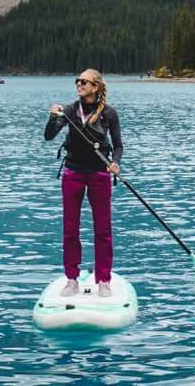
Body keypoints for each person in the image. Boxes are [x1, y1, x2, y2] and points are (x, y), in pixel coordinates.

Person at [44, 69, 123, 297]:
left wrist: (115, 163)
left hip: (99, 175)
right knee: (70, 230)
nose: (79, 84)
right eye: (77, 81)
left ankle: (104, 280)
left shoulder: (110, 113)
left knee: (103, 230)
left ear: (95, 87)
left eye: (84, 81)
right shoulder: (69, 110)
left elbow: (118, 146)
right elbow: (49, 136)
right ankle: (71, 279)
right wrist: (52, 118)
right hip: (73, 174)